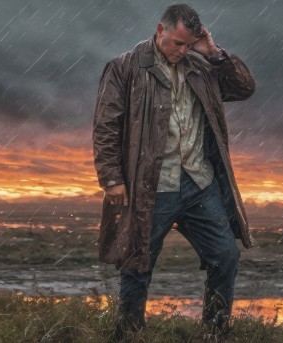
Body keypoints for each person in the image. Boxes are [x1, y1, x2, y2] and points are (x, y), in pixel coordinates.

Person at [92, 3, 256, 337]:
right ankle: (131, 332)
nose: (181, 51)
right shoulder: (125, 68)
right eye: (176, 43)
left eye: (188, 44)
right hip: (150, 185)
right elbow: (106, 125)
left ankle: (214, 330)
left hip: (199, 181)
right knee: (138, 263)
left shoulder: (201, 65)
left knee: (225, 256)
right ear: (160, 30)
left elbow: (243, 88)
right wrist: (111, 178)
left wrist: (213, 51)